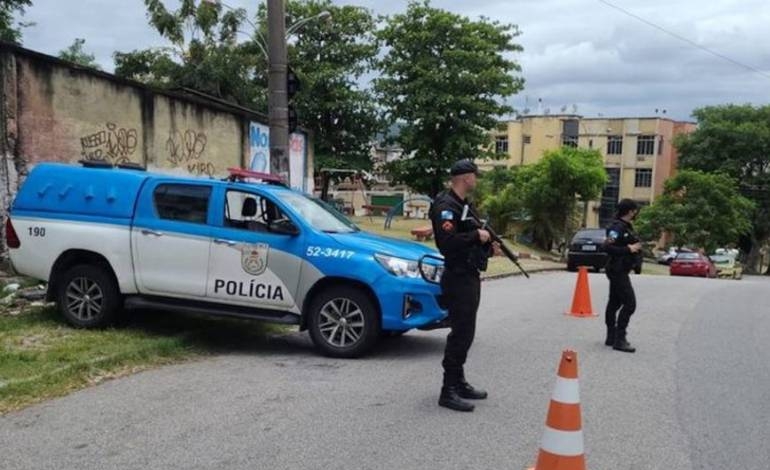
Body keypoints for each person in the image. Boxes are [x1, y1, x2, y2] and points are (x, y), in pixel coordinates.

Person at [429, 158, 500, 412]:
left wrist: (487, 245)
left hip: (469, 273)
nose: (476, 180)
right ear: (465, 177)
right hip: (457, 276)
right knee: (460, 332)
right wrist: (475, 236)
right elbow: (447, 243)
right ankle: (447, 390)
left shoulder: (464, 205)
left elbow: (471, 237)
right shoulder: (446, 206)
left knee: (466, 331)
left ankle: (458, 382)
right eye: (475, 176)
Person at [603, 199, 643, 353]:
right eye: (635, 210)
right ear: (630, 211)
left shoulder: (626, 227)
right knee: (630, 304)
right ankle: (620, 339)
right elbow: (607, 246)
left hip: (621, 269)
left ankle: (611, 337)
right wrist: (629, 248)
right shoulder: (617, 227)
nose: (636, 213)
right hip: (616, 270)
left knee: (614, 302)